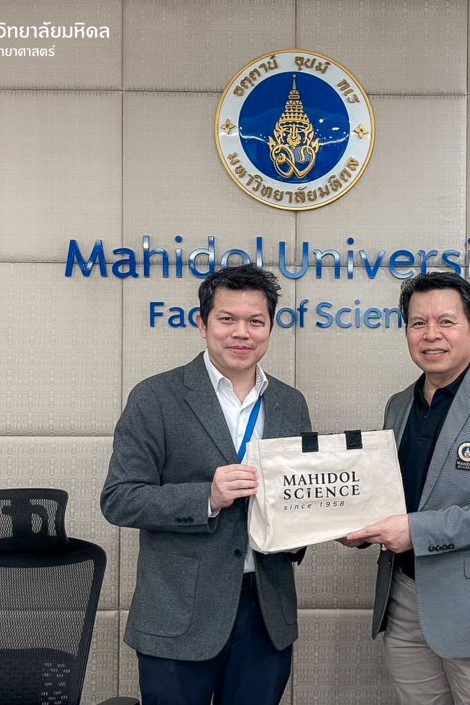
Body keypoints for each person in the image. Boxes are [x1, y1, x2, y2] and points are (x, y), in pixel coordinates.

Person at [101, 264, 311, 705]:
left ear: (271, 327)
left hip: (264, 615)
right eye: (227, 319)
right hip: (179, 614)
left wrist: (305, 530)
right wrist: (207, 498)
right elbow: (119, 499)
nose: (242, 333)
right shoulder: (155, 397)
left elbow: (298, 494)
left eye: (256, 321)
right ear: (202, 323)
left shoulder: (290, 403)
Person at [345, 271, 470, 705]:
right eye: (418, 323)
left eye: (446, 322)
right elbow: (390, 495)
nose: (431, 334)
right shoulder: (399, 405)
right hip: (403, 600)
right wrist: (357, 524)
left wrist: (415, 531)